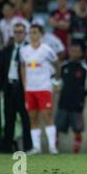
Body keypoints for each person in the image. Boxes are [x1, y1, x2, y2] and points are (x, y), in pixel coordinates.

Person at [20, 24, 61, 155]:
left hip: (43, 87)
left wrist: (56, 81)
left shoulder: (46, 50)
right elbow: (22, 66)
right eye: (30, 33)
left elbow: (57, 64)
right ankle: (36, 147)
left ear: (41, 35)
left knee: (47, 115)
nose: (32, 35)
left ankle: (52, 147)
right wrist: (24, 84)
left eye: (35, 32)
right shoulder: (24, 50)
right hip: (30, 89)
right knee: (32, 118)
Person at [0, 22, 32, 153]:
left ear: (25, 34)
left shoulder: (30, 50)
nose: (18, 35)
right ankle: (7, 147)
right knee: (9, 118)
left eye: (21, 32)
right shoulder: (7, 50)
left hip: (23, 87)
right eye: (16, 32)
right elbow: (0, 69)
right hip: (9, 86)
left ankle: (29, 147)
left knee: (25, 118)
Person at [55, 43, 87, 154]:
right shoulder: (63, 66)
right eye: (72, 50)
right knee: (57, 128)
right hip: (63, 102)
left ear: (81, 53)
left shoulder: (85, 68)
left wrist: (80, 97)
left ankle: (76, 152)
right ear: (69, 52)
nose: (74, 53)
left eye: (77, 51)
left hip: (77, 104)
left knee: (77, 129)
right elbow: (58, 82)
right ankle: (54, 149)